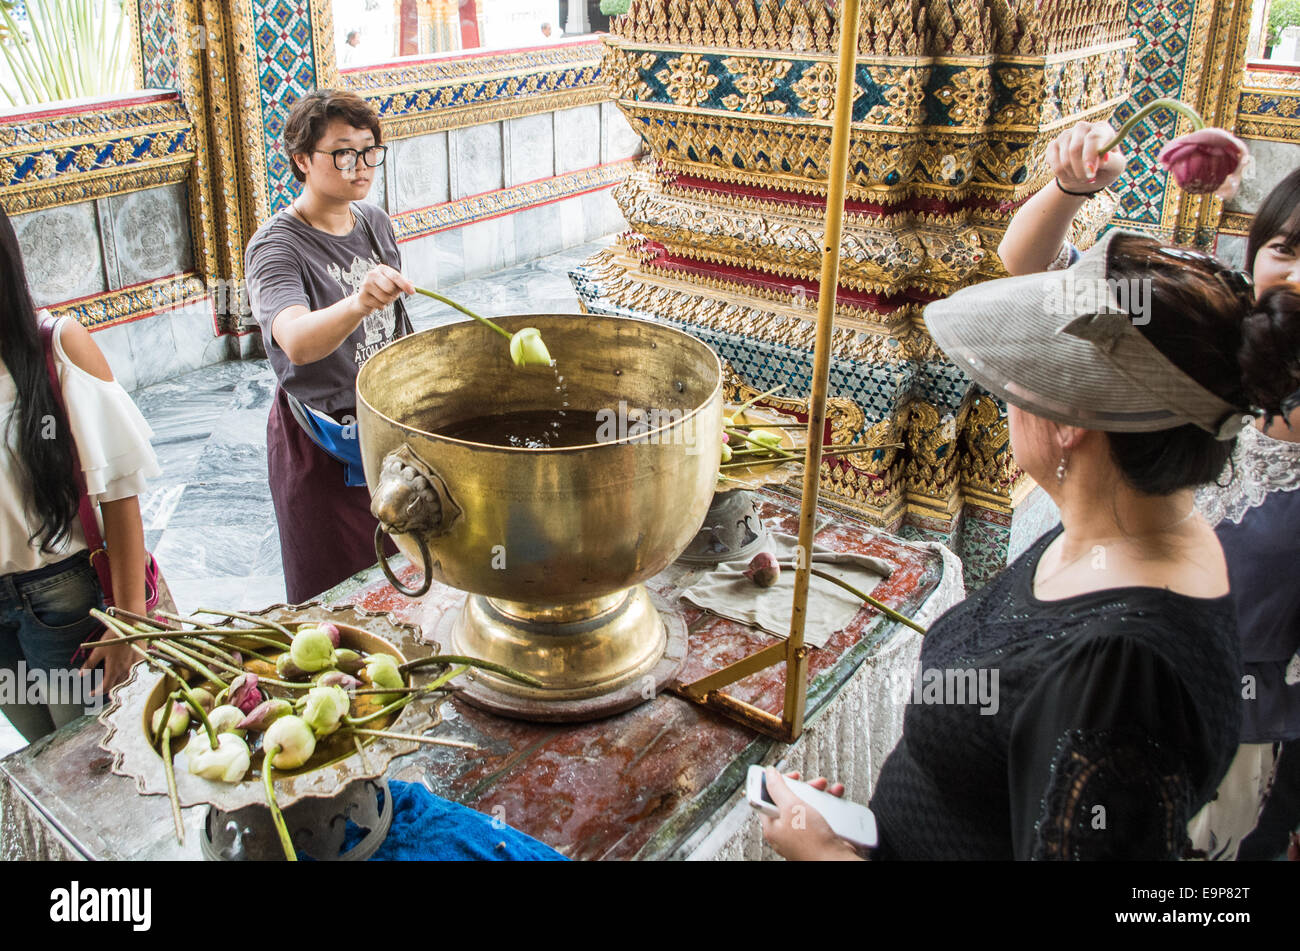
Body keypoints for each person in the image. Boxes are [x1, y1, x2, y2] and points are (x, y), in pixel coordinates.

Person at [762, 226, 1300, 859]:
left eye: (1022, 381)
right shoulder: (1133, 529)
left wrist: (824, 855)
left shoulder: (1123, 671)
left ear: (1069, 421)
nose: (1009, 401)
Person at [1002, 129, 1300, 860]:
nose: (1298, 278)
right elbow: (1029, 269)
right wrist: (1071, 189)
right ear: (1257, 252)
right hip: (1096, 678)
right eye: (1287, 250)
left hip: (1229, 739)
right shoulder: (1212, 342)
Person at [245, 89, 414, 604]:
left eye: (369, 151)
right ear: (302, 160)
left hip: (387, 429)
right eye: (342, 152)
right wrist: (358, 303)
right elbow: (295, 341)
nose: (360, 166)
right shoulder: (277, 246)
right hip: (321, 441)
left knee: (406, 573)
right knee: (337, 595)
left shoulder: (373, 222)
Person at [0, 208, 159, 742]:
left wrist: (129, 624)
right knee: (42, 757)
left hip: (62, 597)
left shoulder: (56, 346)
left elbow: (119, 492)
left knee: (90, 752)